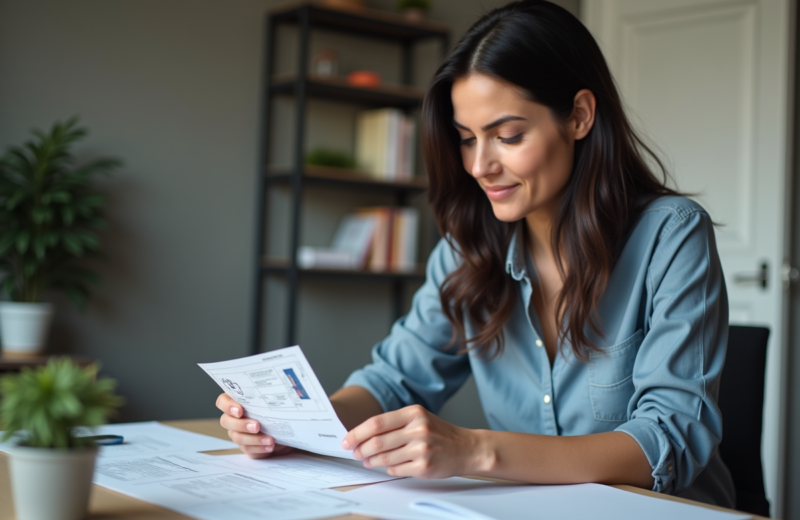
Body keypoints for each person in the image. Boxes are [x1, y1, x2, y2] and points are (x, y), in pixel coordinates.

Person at [217, 0, 735, 507]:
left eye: (508, 136)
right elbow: (394, 380)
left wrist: (474, 450)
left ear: (579, 116)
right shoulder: (468, 249)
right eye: (466, 139)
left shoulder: (670, 235)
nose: (479, 165)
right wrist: (298, 427)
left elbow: (670, 437)